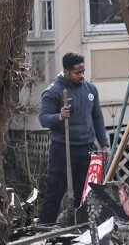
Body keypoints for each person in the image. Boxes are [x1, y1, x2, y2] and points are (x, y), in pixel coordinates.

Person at [37, 52, 109, 225]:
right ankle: (44, 231)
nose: (81, 75)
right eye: (77, 73)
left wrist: (104, 144)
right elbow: (43, 119)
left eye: (83, 71)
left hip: (87, 148)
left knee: (84, 193)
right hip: (63, 149)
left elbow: (97, 117)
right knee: (55, 191)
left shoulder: (90, 90)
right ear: (66, 71)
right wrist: (59, 117)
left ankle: (79, 229)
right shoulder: (53, 92)